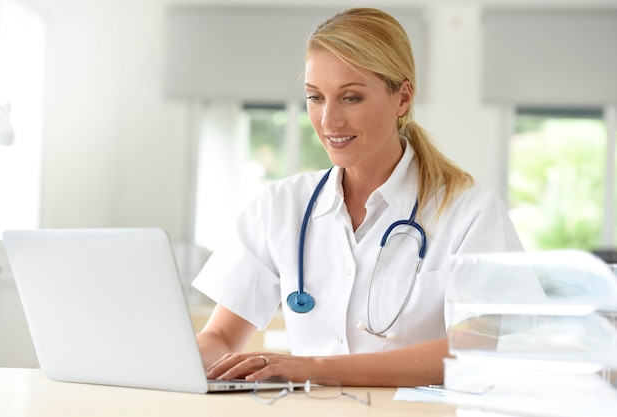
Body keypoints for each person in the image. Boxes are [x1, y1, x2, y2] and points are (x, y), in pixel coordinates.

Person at [192, 7, 523, 388]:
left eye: (350, 98)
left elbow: (475, 349)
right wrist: (171, 358)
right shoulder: (281, 207)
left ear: (402, 99)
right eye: (315, 97)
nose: (328, 121)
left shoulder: (469, 211)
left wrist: (314, 367)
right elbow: (219, 338)